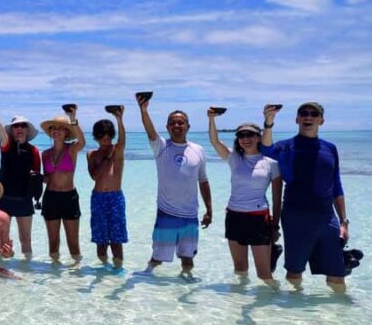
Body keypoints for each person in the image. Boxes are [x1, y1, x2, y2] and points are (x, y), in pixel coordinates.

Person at [260, 102, 350, 292]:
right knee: (295, 272)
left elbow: (336, 185)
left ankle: (337, 310)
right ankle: (296, 307)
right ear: (297, 119)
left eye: (313, 114)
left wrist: (344, 221)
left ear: (321, 120)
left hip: (327, 218)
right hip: (296, 217)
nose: (308, 116)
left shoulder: (330, 148)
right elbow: (266, 149)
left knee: (337, 274)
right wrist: (268, 123)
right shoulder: (287, 147)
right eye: (304, 113)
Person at [137, 94, 212, 277]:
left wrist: (209, 210)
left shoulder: (198, 150)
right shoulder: (161, 147)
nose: (177, 126)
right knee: (158, 256)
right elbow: (150, 131)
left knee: (188, 258)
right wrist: (144, 110)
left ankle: (186, 280)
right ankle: (147, 275)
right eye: (172, 123)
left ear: (188, 126)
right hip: (167, 212)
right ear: (167, 127)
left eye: (180, 122)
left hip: (190, 214)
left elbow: (203, 181)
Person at [208, 111, 282, 286]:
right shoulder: (233, 157)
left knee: (264, 275)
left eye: (250, 135)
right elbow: (215, 141)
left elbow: (277, 198)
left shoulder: (271, 163)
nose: (245, 138)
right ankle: (237, 299)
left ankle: (274, 300)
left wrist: (275, 225)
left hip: (259, 218)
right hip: (234, 216)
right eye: (241, 135)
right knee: (240, 270)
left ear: (259, 137)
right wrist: (211, 119)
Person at [0, 109, 41, 256]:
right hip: (3, 199)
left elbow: (36, 175)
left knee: (26, 240)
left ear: (27, 130)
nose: (19, 128)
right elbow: (2, 135)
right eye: (16, 126)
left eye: (23, 126)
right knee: (2, 240)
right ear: (12, 130)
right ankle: (0, 268)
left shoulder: (34, 151)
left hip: (24, 199)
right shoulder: (6, 145)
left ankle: (27, 267)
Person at [40, 106, 86, 263]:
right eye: (53, 128)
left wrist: (73, 119)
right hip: (50, 197)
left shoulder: (72, 149)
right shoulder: (45, 154)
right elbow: (48, 178)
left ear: (67, 132)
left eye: (61, 128)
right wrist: (35, 178)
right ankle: (54, 272)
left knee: (73, 243)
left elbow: (82, 141)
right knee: (53, 243)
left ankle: (76, 271)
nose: (56, 130)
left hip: (69, 198)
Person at [86, 106, 128, 270]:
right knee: (100, 239)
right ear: (96, 136)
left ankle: (118, 269)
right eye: (101, 135)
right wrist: (106, 158)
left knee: (117, 239)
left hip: (115, 197)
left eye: (108, 135)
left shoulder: (117, 150)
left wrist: (119, 119)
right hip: (98, 198)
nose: (105, 139)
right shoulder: (92, 154)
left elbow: (122, 140)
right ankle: (104, 268)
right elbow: (95, 176)